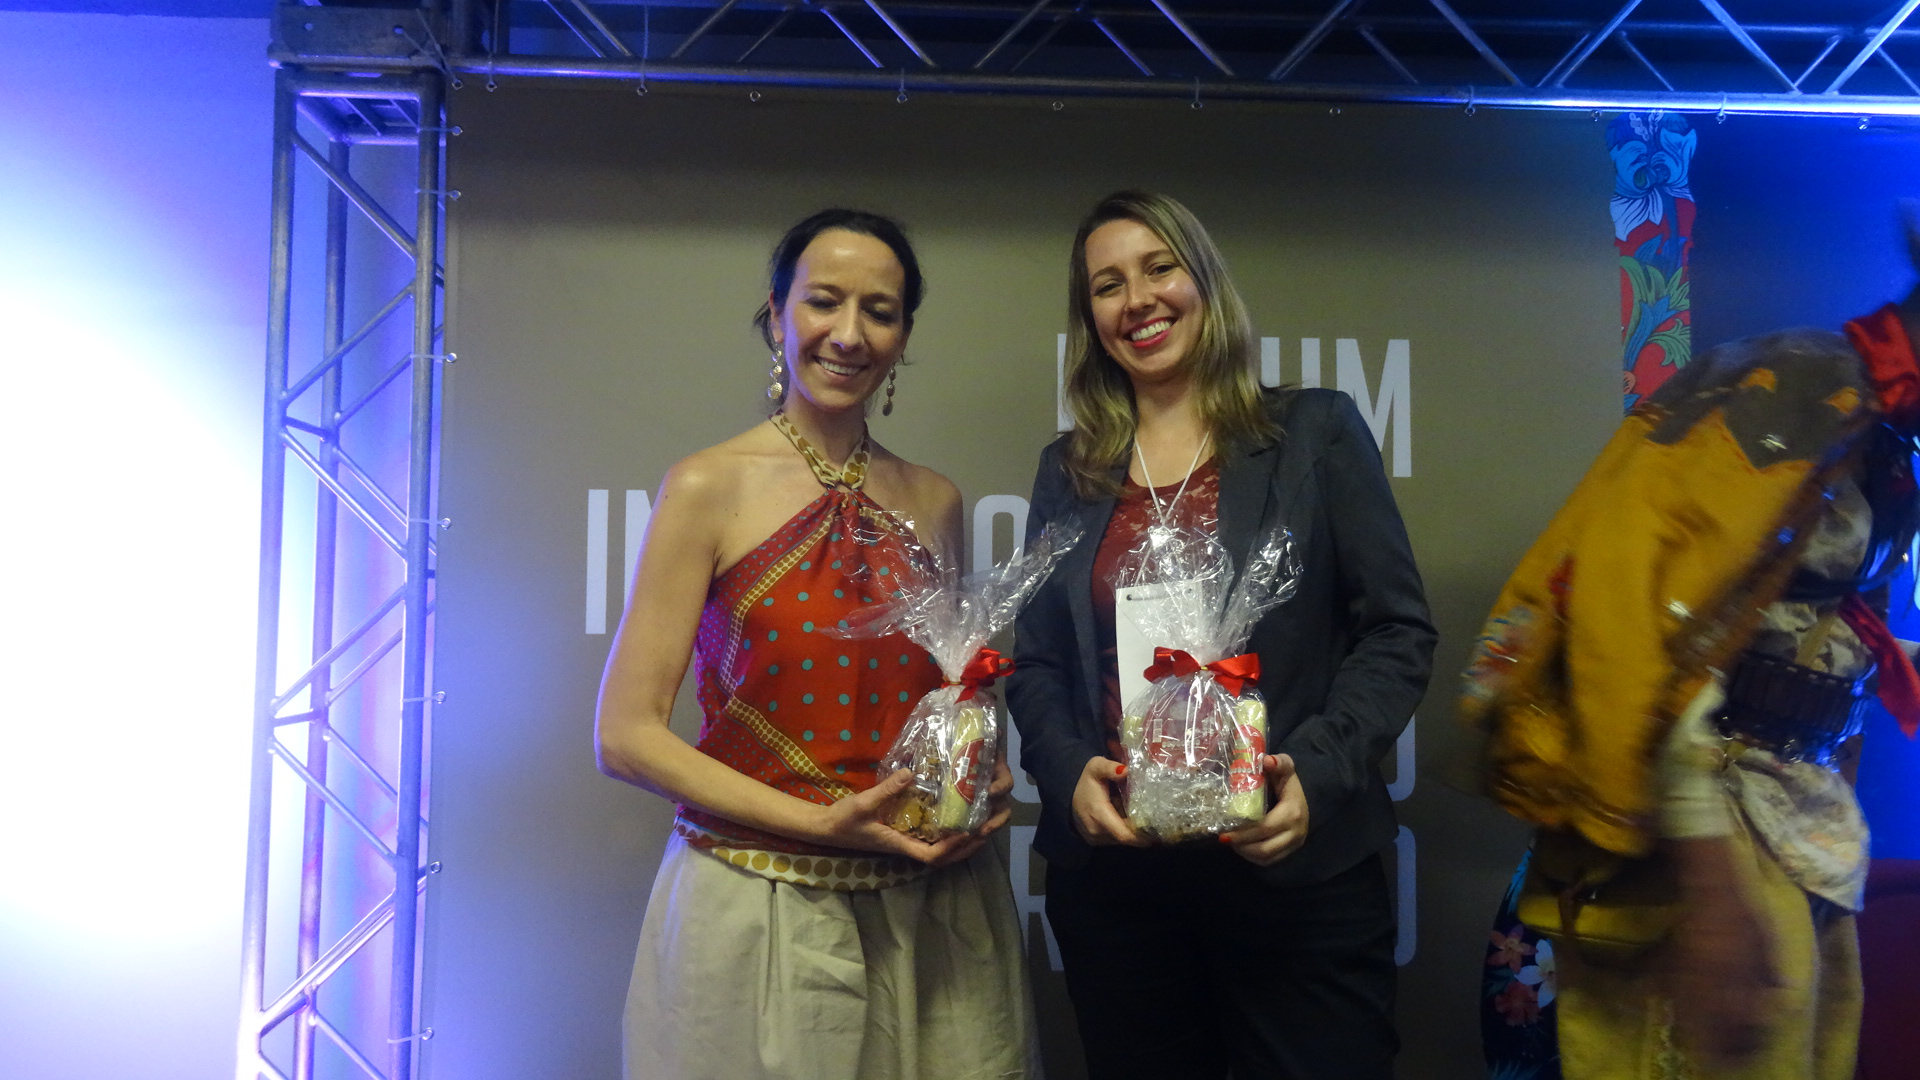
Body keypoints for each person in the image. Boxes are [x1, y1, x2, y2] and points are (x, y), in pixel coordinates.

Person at [1464, 216, 1920, 1080]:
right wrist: (1709, 884)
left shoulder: (1879, 428)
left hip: (1797, 829)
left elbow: (1792, 623)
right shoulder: (1799, 386)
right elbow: (1630, 608)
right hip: (1708, 839)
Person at [1005, 190, 1436, 1080]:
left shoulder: (1313, 433)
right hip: (1121, 888)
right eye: (1108, 286)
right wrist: (1066, 769)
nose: (1138, 300)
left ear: (1204, 280)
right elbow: (1037, 660)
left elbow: (1397, 631)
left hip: (1295, 871)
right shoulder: (1069, 469)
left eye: (1160, 268)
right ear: (1091, 319)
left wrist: (1314, 774)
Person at [595, 208, 1035, 1080]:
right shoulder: (706, 486)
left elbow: (946, 700)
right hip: (757, 902)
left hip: (931, 909)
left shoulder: (936, 500)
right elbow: (625, 735)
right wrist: (818, 824)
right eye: (824, 301)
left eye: (880, 311)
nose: (849, 334)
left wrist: (976, 771)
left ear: (904, 336)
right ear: (777, 313)